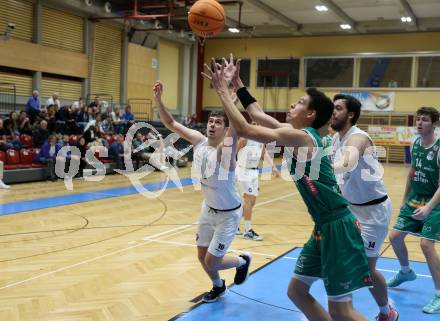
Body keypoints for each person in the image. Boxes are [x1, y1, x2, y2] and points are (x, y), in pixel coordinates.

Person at [203, 55, 372, 321]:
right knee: (297, 292)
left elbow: (245, 127)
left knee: (342, 310)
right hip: (324, 226)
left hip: (338, 226)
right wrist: (238, 85)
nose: (292, 104)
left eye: (300, 102)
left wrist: (223, 92)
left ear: (311, 114)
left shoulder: (302, 137)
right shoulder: (296, 133)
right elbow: (257, 114)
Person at [153, 80, 251, 303]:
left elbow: (236, 128)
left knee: (212, 261)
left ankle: (242, 261)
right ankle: (218, 286)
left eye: (218, 122)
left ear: (225, 129)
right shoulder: (199, 141)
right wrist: (158, 100)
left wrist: (230, 98)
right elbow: (170, 122)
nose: (212, 124)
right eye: (210, 121)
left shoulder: (225, 152)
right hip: (208, 209)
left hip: (228, 214)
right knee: (201, 256)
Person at [330, 94, 398, 321]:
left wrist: (327, 167)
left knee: (365, 270)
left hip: (373, 212)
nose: (333, 112)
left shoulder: (358, 137)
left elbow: (347, 162)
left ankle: (387, 312)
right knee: (341, 261)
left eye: (338, 108)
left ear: (350, 114)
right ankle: (342, 311)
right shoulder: (334, 139)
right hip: (350, 209)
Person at [387, 107, 440, 314]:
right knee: (395, 237)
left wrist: (428, 208)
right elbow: (412, 172)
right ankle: (406, 271)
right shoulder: (416, 143)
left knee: (426, 244)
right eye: (417, 120)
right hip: (415, 199)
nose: (419, 123)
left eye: (424, 120)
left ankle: (438, 294)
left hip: (435, 203)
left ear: (434, 123)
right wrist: (404, 200)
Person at [236, 131, 280, 241]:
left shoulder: (260, 140)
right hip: (243, 171)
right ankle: (247, 231)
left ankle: (233, 224)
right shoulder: (244, 138)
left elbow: (264, 154)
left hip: (254, 172)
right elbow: (233, 153)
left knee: (252, 202)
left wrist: (273, 167)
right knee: (248, 200)